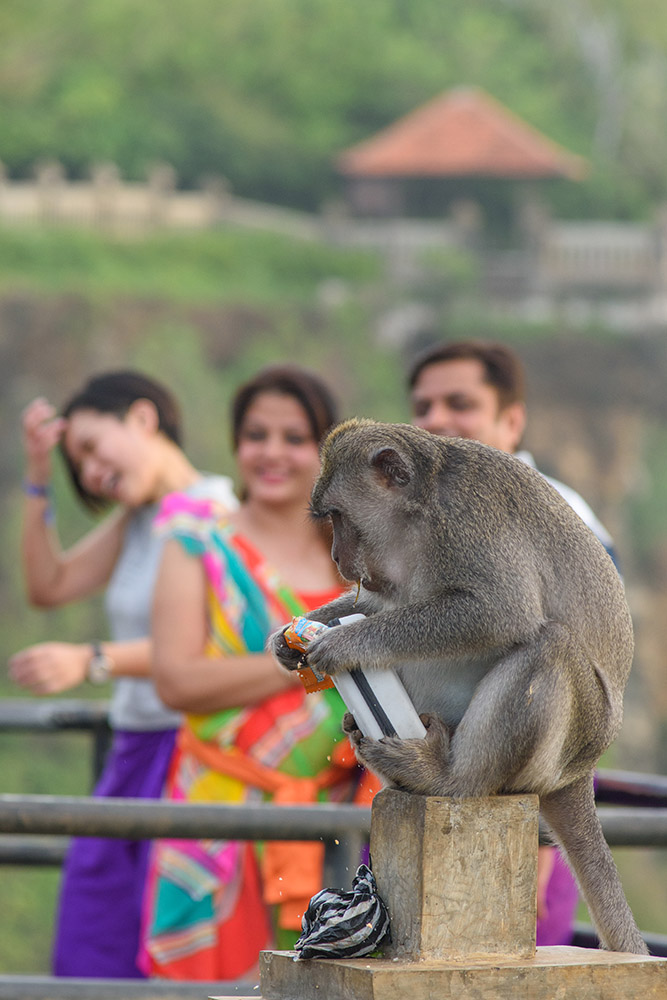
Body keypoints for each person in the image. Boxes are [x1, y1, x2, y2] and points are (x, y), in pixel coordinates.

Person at [139, 365, 376, 982]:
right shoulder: (199, 544)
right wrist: (310, 656)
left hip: (336, 824)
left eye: (294, 438)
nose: (272, 453)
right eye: (255, 435)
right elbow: (178, 682)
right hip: (218, 818)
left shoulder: (358, 560)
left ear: (325, 454)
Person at [8, 371, 237, 978]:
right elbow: (48, 585)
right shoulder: (140, 517)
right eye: (74, 463)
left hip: (188, 752)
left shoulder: (213, 510)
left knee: (156, 947)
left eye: (89, 448)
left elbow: (214, 639)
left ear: (142, 417)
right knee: (94, 934)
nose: (87, 473)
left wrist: (93, 659)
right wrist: (37, 474)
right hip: (132, 749)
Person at [407, 339, 618, 947]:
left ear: (511, 420)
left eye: (460, 403)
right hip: (440, 761)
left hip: (523, 779)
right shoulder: (431, 516)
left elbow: (575, 670)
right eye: (423, 407)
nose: (438, 421)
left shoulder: (558, 513)